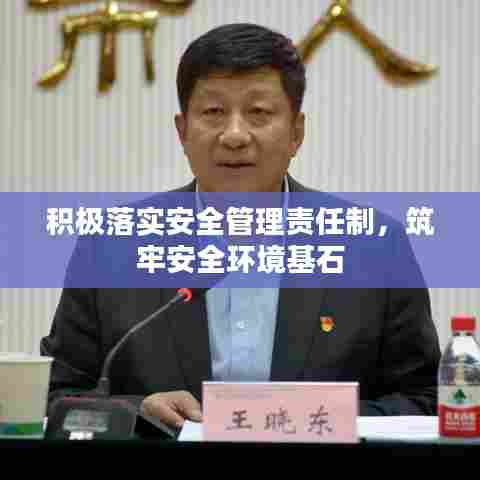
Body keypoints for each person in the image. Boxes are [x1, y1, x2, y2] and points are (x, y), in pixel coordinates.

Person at [41, 23, 441, 432]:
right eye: (213, 112)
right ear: (182, 131)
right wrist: (138, 410)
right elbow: (57, 395)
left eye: (259, 113)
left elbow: (425, 399)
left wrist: (312, 420)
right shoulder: (111, 247)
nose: (234, 135)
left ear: (296, 132)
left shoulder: (374, 247)